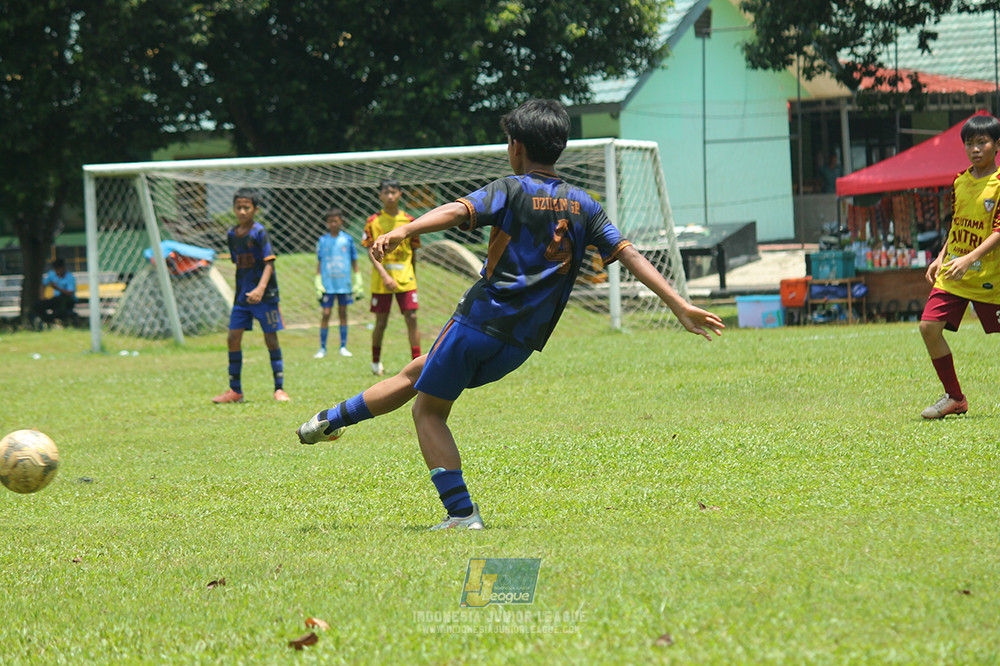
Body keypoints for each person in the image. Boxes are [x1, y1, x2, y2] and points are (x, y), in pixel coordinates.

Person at [296, 99, 724, 530]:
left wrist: (406, 228)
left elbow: (459, 211)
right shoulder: (585, 205)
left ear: (516, 146)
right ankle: (329, 421)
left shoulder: (511, 189)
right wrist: (678, 304)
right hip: (521, 343)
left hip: (479, 321)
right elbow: (628, 253)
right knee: (418, 372)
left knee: (428, 412)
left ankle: (461, 514)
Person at [919, 113, 1000, 419]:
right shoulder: (959, 181)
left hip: (991, 277)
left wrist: (969, 259)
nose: (975, 149)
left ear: (997, 145)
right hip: (955, 272)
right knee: (929, 327)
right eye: (969, 143)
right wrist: (943, 256)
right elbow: (956, 224)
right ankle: (955, 398)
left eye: (982, 142)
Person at [212, 187, 290, 404]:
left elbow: (269, 263)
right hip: (242, 297)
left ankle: (279, 389)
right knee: (232, 337)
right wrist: (245, 289)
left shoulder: (260, 232)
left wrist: (260, 289)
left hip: (265, 296)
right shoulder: (232, 234)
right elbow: (237, 263)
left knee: (271, 339)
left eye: (247, 207)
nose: (242, 211)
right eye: (239, 207)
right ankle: (235, 391)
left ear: (255, 209)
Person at [362, 179, 421, 376]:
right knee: (381, 321)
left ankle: (417, 363)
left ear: (400, 194)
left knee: (412, 318)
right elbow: (370, 251)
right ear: (380, 195)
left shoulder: (410, 221)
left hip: (406, 278)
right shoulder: (373, 221)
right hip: (382, 280)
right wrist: (384, 275)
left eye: (393, 192)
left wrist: (413, 275)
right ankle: (375, 363)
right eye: (386, 192)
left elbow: (414, 251)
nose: (390, 196)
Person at [314, 208, 359, 359]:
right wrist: (318, 281)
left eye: (335, 221)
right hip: (328, 284)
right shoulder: (323, 241)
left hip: (344, 284)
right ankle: (322, 347)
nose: (333, 224)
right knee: (326, 314)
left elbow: (354, 260)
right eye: (330, 221)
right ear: (327, 223)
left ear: (341, 221)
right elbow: (319, 261)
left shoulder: (347, 240)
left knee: (343, 313)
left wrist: (357, 278)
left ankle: (343, 346)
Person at [33, 258, 76, 328]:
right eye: (56, 270)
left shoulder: (70, 277)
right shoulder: (52, 274)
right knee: (38, 305)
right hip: (56, 299)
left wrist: (57, 288)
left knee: (60, 304)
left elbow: (70, 293)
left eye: (58, 270)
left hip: (67, 299)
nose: (57, 272)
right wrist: (42, 296)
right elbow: (43, 284)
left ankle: (57, 321)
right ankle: (46, 321)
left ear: (63, 268)